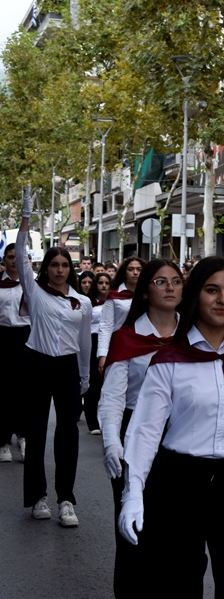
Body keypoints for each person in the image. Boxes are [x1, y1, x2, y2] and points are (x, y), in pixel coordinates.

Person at [118, 257, 224, 597]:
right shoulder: (169, 360)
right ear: (196, 295)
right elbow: (143, 433)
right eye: (212, 290)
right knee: (179, 588)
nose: (223, 300)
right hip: (178, 485)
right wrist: (132, 495)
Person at [97, 258, 181, 597]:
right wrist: (111, 442)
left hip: (181, 439)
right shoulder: (127, 338)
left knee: (176, 537)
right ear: (145, 290)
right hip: (135, 435)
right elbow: (113, 398)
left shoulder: (194, 336)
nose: (170, 287)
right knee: (133, 533)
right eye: (161, 282)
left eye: (176, 281)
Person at [17, 187, 93, 527]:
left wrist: (85, 376)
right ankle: (38, 497)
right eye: (54, 264)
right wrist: (26, 217)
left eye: (64, 265)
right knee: (35, 433)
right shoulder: (34, 292)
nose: (59, 270)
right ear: (45, 268)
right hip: (36, 363)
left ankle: (66, 499)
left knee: (67, 435)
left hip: (67, 368)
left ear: (69, 269)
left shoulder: (82, 302)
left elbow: (84, 342)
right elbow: (20, 256)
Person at [0, 242, 31, 463]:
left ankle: (23, 435)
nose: (14, 261)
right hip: (2, 338)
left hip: (26, 337)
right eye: (11, 257)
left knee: (25, 390)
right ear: (4, 259)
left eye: (18, 257)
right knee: (3, 390)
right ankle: (2, 440)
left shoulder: (34, 284)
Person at [97, 257, 146, 373]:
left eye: (139, 269)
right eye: (131, 269)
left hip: (144, 346)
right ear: (124, 272)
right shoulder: (114, 296)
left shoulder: (149, 294)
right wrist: (103, 355)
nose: (135, 272)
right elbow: (106, 326)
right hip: (119, 346)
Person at [80, 271, 103, 435]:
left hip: (109, 343)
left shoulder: (115, 302)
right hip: (91, 341)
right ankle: (92, 421)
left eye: (107, 283)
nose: (104, 286)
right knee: (93, 383)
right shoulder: (87, 302)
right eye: (100, 283)